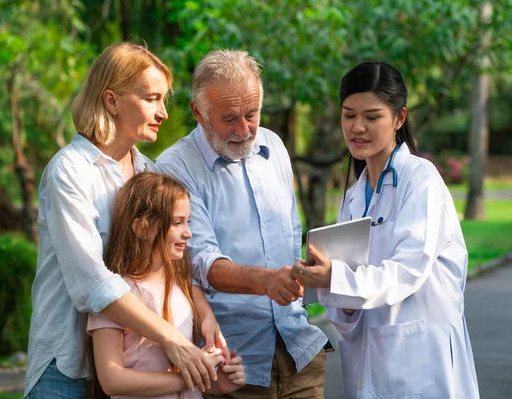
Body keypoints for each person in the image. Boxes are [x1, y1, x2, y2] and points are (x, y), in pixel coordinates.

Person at [24, 42, 227, 399]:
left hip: (133, 365)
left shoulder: (148, 172)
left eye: (164, 99)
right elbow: (92, 284)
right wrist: (171, 338)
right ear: (111, 100)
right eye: (151, 98)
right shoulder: (69, 171)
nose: (163, 111)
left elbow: (170, 262)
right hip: (67, 366)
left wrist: (203, 314)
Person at [291, 61, 480, 399]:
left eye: (372, 116)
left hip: (421, 357)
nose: (357, 127)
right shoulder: (353, 197)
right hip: (369, 360)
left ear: (399, 118)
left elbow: (407, 270)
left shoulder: (421, 180)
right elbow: (347, 305)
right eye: (348, 115)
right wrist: (335, 290)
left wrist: (335, 277)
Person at [155, 49, 327, 399]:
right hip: (231, 362)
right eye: (229, 118)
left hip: (298, 348)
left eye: (252, 114)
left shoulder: (274, 147)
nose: (245, 130)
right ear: (198, 113)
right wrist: (266, 282)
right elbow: (197, 261)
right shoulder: (174, 167)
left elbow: (290, 232)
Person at [87, 172, 245, 398]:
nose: (188, 233)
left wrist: (216, 379)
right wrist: (188, 377)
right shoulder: (116, 296)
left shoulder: (183, 288)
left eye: (187, 222)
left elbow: (190, 381)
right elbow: (112, 379)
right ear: (141, 227)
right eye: (177, 223)